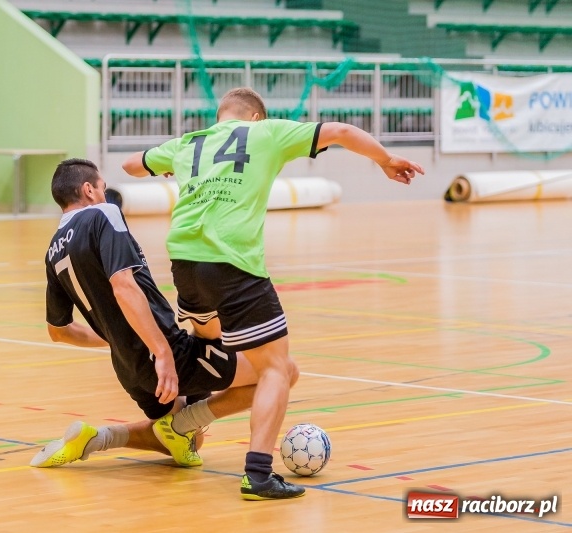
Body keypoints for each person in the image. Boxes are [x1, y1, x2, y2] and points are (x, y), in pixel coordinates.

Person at [122, 87, 425, 499]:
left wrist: (168, 168)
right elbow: (339, 130)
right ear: (256, 118)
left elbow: (130, 165)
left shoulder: (188, 143)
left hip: (184, 264)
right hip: (231, 262)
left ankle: (183, 426)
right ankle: (258, 475)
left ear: (220, 115)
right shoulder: (265, 134)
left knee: (207, 340)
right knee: (276, 369)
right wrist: (386, 160)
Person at [32, 158, 300, 500]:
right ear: (88, 190)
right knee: (281, 371)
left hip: (128, 366)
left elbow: (60, 331)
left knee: (189, 442)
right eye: (101, 187)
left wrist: (119, 340)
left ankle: (100, 437)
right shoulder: (103, 213)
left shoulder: (53, 249)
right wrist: (160, 350)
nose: (104, 192)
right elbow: (123, 285)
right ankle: (219, 449)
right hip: (167, 352)